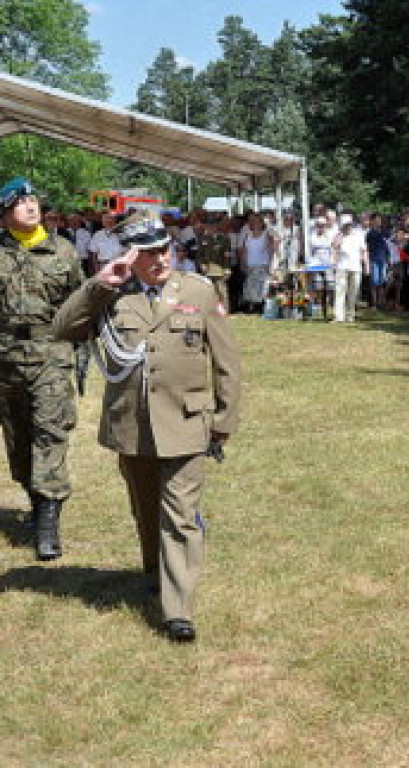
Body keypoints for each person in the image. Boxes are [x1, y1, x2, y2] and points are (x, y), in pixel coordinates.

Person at [52, 210, 242, 642]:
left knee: (179, 515)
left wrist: (224, 419)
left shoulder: (198, 289)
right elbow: (64, 329)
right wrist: (101, 282)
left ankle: (178, 610)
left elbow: (226, 361)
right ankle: (156, 571)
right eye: (149, 252)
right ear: (130, 255)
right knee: (145, 510)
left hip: (187, 420)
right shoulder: (113, 296)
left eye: (165, 249)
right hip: (132, 425)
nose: (161, 259)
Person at [0, 177, 83, 560]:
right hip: (5, 358)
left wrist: (80, 355)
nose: (31, 207)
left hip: (50, 355)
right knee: (18, 438)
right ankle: (34, 504)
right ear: (4, 215)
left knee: (50, 433)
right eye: (20, 202)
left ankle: (48, 527)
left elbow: (81, 308)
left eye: (34, 200)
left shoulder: (64, 252)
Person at [334, 220, 367, 322]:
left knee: (353, 292)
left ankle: (350, 315)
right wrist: (340, 234)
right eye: (345, 225)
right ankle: (338, 316)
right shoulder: (339, 235)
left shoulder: (359, 235)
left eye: (349, 225)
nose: (347, 227)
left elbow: (364, 250)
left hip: (356, 267)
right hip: (342, 267)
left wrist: (366, 265)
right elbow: (335, 246)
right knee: (340, 292)